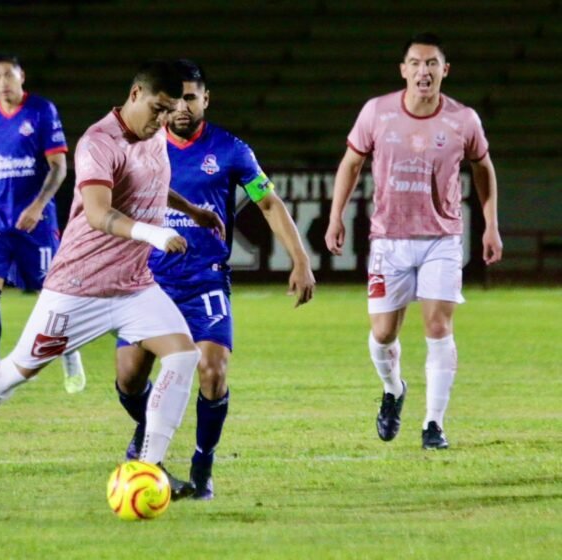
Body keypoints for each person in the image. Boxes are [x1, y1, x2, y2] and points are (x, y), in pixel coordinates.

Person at [0, 60, 226, 499]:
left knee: (182, 356)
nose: (162, 121)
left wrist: (193, 210)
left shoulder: (153, 134)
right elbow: (100, 213)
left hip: (135, 285)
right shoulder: (97, 143)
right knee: (14, 372)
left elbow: (152, 183)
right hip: (78, 288)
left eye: (169, 112)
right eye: (157, 109)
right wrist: (152, 233)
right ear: (135, 94)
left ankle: (148, 468)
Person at [114, 59, 316, 500]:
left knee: (212, 371)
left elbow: (267, 202)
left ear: (206, 99)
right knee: (129, 380)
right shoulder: (142, 147)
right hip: (147, 281)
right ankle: (150, 427)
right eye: (177, 98)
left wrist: (300, 258)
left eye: (192, 97)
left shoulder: (230, 150)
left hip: (204, 281)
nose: (184, 107)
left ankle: (202, 467)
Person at [324, 32, 503, 450]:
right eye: (416, 63)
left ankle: (433, 425)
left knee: (438, 326)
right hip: (389, 239)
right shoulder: (377, 113)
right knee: (383, 333)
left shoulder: (463, 120)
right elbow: (351, 163)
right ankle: (393, 389)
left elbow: (483, 167)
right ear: (403, 70)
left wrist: (490, 224)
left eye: (432, 64)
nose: (424, 71)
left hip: (441, 238)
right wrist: (336, 216)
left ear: (445, 71)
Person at [0, 53, 86, 394]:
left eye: (8, 74)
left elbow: (59, 167)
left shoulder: (41, 111)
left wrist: (38, 206)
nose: (3, 82)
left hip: (35, 220)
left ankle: (69, 352)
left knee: (51, 295)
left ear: (22, 76)